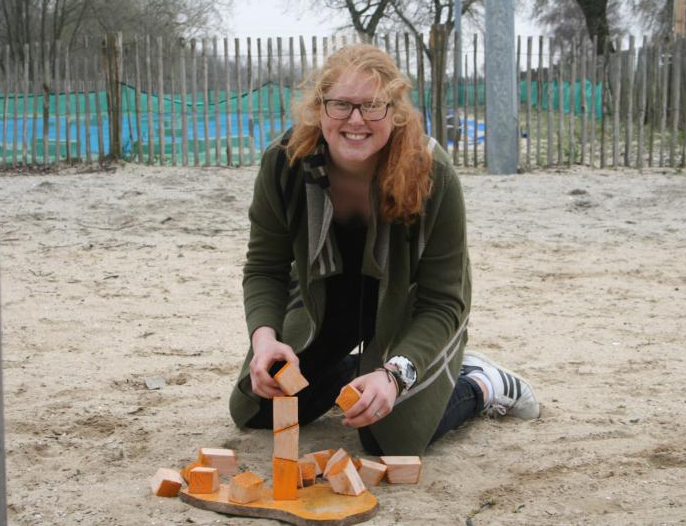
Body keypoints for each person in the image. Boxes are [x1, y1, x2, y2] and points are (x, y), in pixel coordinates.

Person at [229, 44, 539, 456]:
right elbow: (265, 268)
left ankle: (480, 383)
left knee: (389, 438)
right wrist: (265, 339)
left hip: (406, 309)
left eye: (372, 106)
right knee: (255, 408)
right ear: (319, 108)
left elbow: (445, 301)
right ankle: (355, 370)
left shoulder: (434, 174)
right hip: (324, 301)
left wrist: (394, 375)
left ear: (394, 112)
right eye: (340, 105)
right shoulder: (283, 164)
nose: (355, 120)